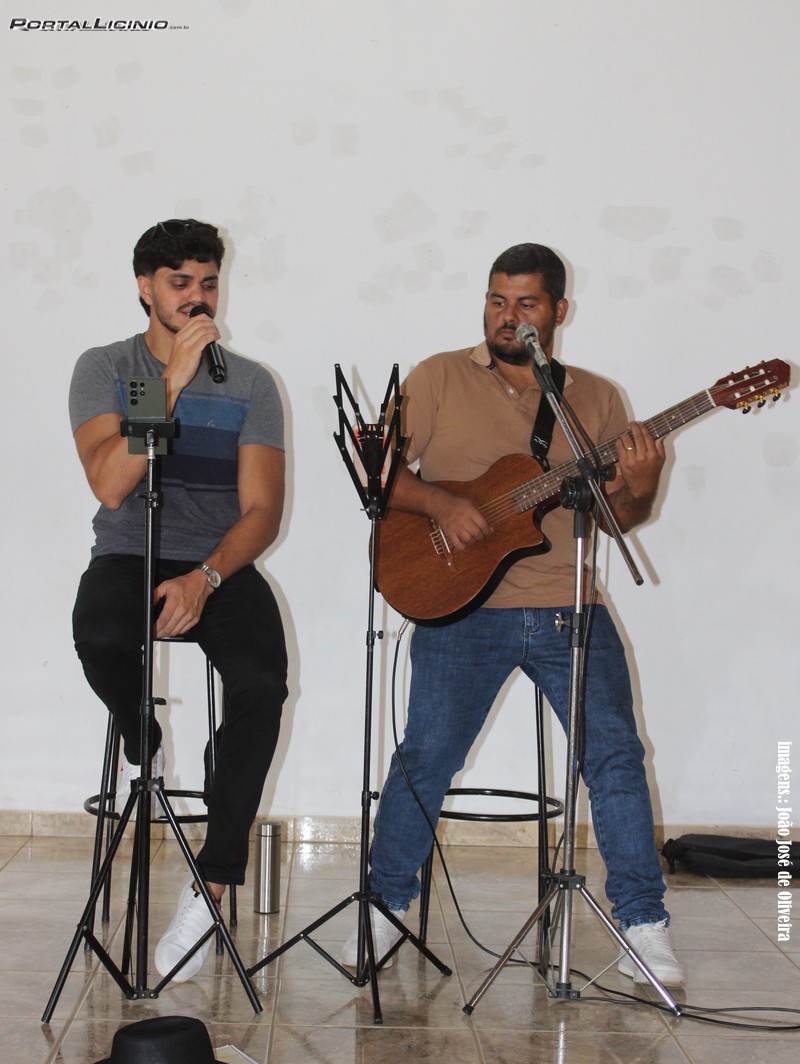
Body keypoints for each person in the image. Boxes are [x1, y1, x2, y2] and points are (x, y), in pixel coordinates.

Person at [342, 242, 684, 986]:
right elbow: (377, 472)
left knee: (615, 758)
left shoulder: (594, 398)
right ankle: (385, 904)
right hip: (461, 608)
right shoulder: (438, 376)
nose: (508, 316)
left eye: (525, 304)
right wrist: (443, 504)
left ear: (558, 311)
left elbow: (617, 518)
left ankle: (643, 922)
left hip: (568, 606)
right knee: (427, 756)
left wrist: (643, 482)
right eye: (497, 301)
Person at [70, 217, 288, 982]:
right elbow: (110, 484)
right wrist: (170, 384)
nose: (197, 299)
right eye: (180, 284)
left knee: (262, 683)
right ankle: (143, 736)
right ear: (145, 288)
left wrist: (207, 578)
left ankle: (212, 883)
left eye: (208, 284)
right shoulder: (108, 368)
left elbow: (262, 511)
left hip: (215, 562)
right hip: (130, 551)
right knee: (100, 634)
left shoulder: (251, 384)